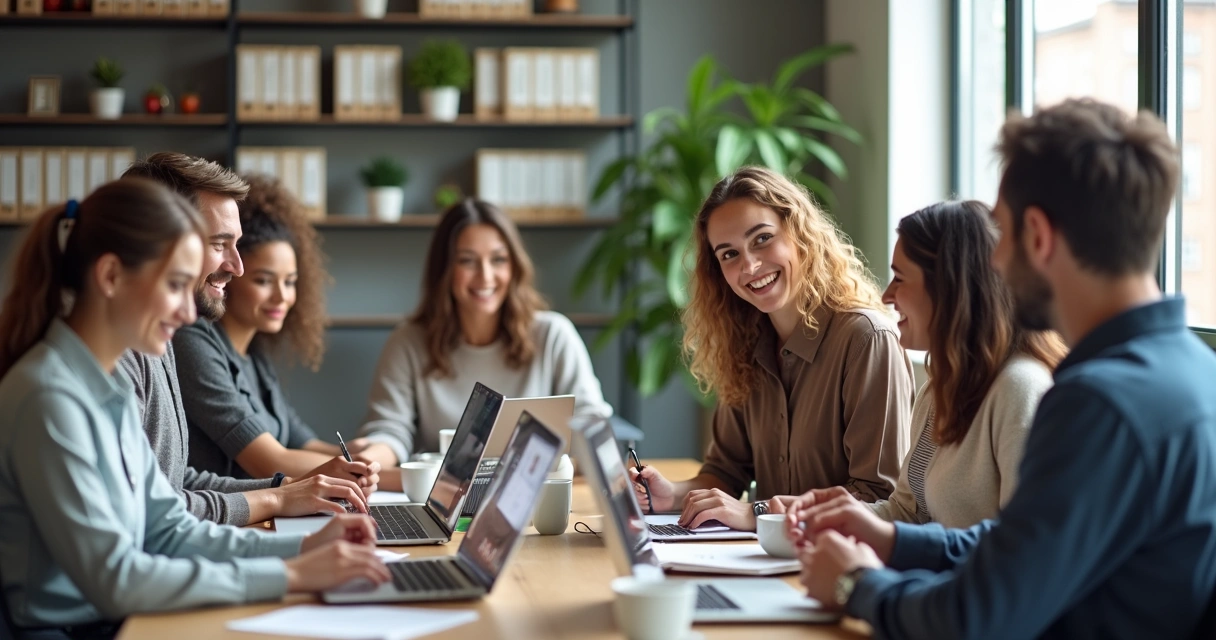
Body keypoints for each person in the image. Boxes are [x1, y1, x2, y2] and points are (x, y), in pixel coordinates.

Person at [788, 99, 1216, 639]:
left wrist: (856, 586)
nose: (992, 261)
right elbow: (1021, 541)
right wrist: (893, 541)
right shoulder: (1196, 375)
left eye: (1003, 232)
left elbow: (979, 618)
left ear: (1038, 235)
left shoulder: (1098, 403)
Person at [0, 180, 388, 638]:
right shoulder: (50, 398)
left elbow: (169, 529)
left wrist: (304, 548)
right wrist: (294, 575)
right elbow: (116, 580)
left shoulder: (107, 389)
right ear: (110, 277)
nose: (188, 314)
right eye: (175, 286)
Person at [630, 166, 915, 532]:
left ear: (799, 234)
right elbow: (725, 472)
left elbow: (878, 497)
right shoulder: (743, 342)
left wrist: (758, 512)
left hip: (841, 566)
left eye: (762, 239)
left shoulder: (866, 339)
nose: (749, 265)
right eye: (729, 255)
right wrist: (671, 495)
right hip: (765, 560)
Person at [772, 201, 1066, 529]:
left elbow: (1022, 546)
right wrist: (818, 512)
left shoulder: (1021, 389)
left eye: (899, 278)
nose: (886, 296)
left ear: (949, 287)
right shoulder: (940, 388)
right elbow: (907, 512)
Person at [119, 153, 376, 526]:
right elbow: (153, 515)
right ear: (159, 241)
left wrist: (287, 490)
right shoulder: (126, 357)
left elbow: (177, 483)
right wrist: (279, 503)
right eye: (220, 244)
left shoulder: (161, 343)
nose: (237, 267)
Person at [348, 198, 613, 472]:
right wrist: (370, 462)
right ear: (445, 270)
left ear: (514, 266)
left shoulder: (553, 335)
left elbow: (590, 423)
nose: (485, 276)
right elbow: (391, 428)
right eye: (467, 261)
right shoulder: (408, 342)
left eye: (498, 259)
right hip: (447, 503)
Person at [172, 175, 373, 484]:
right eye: (264, 281)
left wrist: (354, 456)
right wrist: (399, 478)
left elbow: (298, 439)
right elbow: (272, 461)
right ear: (234, 276)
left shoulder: (253, 353)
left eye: (290, 282)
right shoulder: (193, 341)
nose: (282, 296)